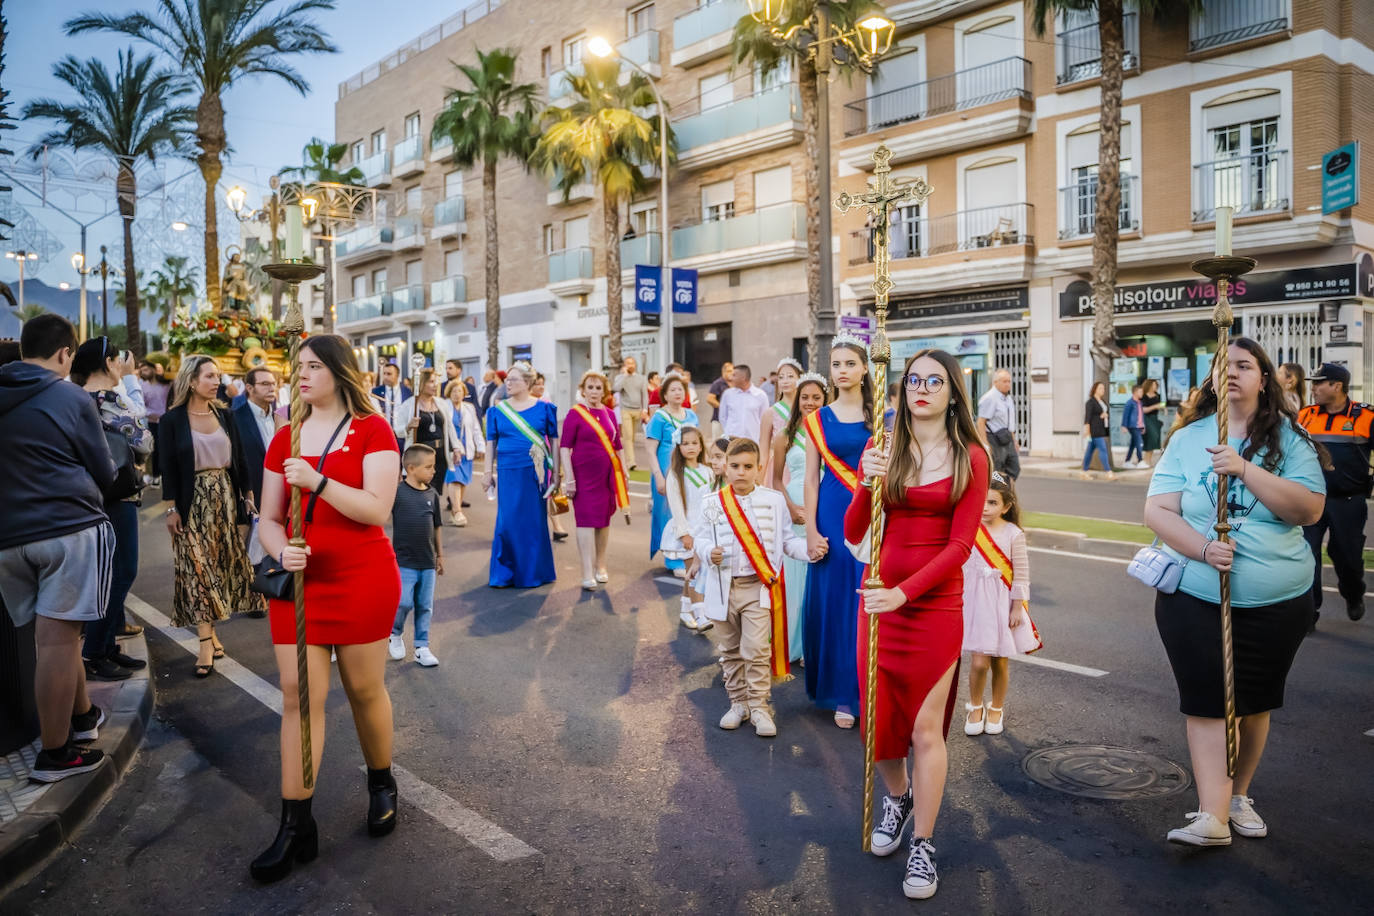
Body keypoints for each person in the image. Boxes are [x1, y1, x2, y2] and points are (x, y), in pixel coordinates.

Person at [1144, 338, 1327, 848]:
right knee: (1206, 701)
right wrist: (1203, 550)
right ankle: (1212, 815)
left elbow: (1308, 510)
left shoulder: (1291, 438)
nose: (1231, 373)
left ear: (1264, 379)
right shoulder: (1187, 438)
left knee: (1252, 704)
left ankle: (1238, 795)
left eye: (1244, 365)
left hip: (1277, 601)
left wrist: (1245, 468)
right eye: (1222, 365)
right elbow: (1158, 511)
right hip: (1195, 597)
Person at [252, 334, 403, 883]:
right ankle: (296, 825)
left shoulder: (372, 429)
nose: (302, 376)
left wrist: (318, 480)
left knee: (365, 689)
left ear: (340, 371)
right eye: (298, 368)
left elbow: (377, 509)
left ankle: (382, 781)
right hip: (302, 585)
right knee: (298, 699)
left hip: (362, 577)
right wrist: (280, 549)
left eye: (314, 366)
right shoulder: (284, 436)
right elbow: (268, 519)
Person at [845, 348, 990, 900]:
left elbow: (960, 546)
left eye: (934, 380)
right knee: (880, 729)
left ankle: (923, 843)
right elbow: (855, 529)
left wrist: (904, 591)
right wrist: (867, 480)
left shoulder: (972, 457)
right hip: (878, 604)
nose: (922, 388)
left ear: (953, 391)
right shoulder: (883, 448)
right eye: (913, 380)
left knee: (926, 730)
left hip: (931, 608)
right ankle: (898, 798)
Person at [0, 315, 115, 782]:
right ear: (66, 353)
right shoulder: (69, 395)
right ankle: (56, 753)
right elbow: (104, 468)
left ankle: (83, 716)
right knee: (57, 640)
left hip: (8, 539)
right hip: (67, 528)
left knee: (55, 639)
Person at [695, 438, 811, 739]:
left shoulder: (773, 500)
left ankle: (760, 706)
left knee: (757, 650)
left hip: (757, 588)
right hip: (722, 588)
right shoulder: (711, 502)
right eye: (735, 466)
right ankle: (738, 703)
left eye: (748, 467)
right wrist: (709, 552)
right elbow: (700, 538)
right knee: (730, 650)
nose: (741, 472)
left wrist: (810, 549)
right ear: (725, 467)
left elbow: (786, 541)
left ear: (759, 469)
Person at [161, 355, 265, 676]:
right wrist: (171, 508)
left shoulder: (226, 414)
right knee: (196, 568)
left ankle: (211, 633)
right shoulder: (172, 420)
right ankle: (205, 641)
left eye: (218, 376)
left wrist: (247, 497)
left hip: (225, 499)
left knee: (217, 567)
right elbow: (167, 468)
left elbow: (240, 460)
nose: (216, 381)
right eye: (209, 376)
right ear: (192, 381)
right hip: (192, 501)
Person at [71, 338, 154, 680]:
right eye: (118, 360)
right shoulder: (108, 398)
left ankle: (104, 647)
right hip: (116, 496)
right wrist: (131, 381)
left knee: (104, 574)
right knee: (121, 572)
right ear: (108, 363)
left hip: (87, 496)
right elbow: (144, 440)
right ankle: (95, 651)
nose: (121, 365)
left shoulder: (76, 397)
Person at [802, 334, 872, 729]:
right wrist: (811, 529)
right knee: (835, 600)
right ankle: (843, 693)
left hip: (871, 514)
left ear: (864, 368)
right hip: (831, 512)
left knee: (865, 598)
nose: (842, 371)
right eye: (836, 364)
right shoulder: (817, 418)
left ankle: (869, 686)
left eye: (850, 363)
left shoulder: (882, 415)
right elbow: (811, 479)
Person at [962, 472, 1037, 737]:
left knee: (999, 662)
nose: (985, 507)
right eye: (982, 501)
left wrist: (1018, 606)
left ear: (1006, 506)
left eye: (992, 503)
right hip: (974, 601)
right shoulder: (968, 526)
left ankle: (996, 707)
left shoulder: (1013, 533)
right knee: (978, 662)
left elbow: (1021, 573)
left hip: (1002, 602)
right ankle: (974, 706)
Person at [1298, 362, 1371, 626]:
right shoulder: (1305, 415)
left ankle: (1353, 594)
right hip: (1310, 498)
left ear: (1337, 386)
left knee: (1347, 557)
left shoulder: (1366, 417)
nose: (1313, 388)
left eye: (1319, 383)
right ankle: (1310, 612)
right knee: (1307, 555)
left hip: (1348, 501)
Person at [485, 362, 559, 588]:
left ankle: (533, 572)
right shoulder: (497, 410)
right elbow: (491, 442)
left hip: (534, 472)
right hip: (507, 471)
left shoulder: (545, 408)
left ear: (527, 383)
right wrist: (487, 472)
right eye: (507, 379)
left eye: (513, 379)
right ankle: (505, 572)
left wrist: (556, 472)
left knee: (533, 521)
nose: (508, 383)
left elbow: (555, 441)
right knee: (507, 521)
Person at [772, 372, 827, 661]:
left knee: (818, 576)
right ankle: (795, 642)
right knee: (796, 580)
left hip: (824, 505)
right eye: (805, 397)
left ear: (825, 399)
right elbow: (776, 480)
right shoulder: (785, 436)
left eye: (816, 397)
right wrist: (792, 509)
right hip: (796, 508)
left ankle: (814, 643)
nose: (810, 402)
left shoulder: (830, 431)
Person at [561, 370, 629, 590]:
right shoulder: (575, 413)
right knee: (585, 522)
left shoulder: (610, 414)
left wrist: (624, 470)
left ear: (605, 391)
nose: (594, 391)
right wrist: (569, 478)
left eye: (598, 387)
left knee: (603, 521)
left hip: (607, 477)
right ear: (583, 390)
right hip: (582, 476)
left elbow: (618, 445)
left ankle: (601, 565)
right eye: (590, 387)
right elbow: (564, 447)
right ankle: (587, 571)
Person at [388, 444, 444, 667]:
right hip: (404, 561)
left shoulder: (433, 494)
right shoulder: (397, 493)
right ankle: (395, 632)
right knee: (403, 602)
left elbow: (437, 526)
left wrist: (440, 556)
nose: (433, 471)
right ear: (410, 468)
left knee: (425, 605)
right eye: (429, 467)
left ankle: (421, 646)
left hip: (427, 562)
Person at [645, 375, 700, 576]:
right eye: (673, 390)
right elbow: (650, 449)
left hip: (688, 470)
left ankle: (688, 554)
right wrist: (659, 476)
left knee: (687, 510)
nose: (678, 393)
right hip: (666, 469)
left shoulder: (691, 416)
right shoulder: (659, 417)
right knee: (669, 513)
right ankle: (673, 558)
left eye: (681, 389)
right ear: (665, 395)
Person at [662, 426, 714, 630]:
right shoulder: (675, 475)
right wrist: (684, 533)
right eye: (686, 443)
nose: (691, 447)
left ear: (701, 446)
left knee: (692, 572)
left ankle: (685, 610)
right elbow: (675, 506)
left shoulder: (708, 471)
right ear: (678, 447)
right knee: (696, 572)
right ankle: (701, 616)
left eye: (695, 443)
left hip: (705, 531)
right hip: (688, 531)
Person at [399, 368, 457, 521]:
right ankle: (421, 519)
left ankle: (431, 519)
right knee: (421, 488)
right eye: (431, 381)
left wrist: (456, 447)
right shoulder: (410, 404)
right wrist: (409, 426)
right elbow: (397, 430)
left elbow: (449, 427)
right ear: (422, 383)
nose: (435, 384)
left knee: (436, 489)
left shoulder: (441, 403)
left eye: (435, 381)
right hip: (420, 455)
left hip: (440, 454)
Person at [232, 367, 279, 508]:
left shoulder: (280, 418)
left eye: (273, 383)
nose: (271, 388)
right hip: (251, 498)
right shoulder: (235, 418)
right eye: (265, 384)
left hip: (279, 495)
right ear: (249, 388)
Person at [443, 380, 485, 527]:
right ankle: (457, 510)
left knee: (463, 481)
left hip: (467, 448)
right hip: (452, 449)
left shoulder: (469, 407)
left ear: (464, 393)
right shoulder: (444, 406)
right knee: (454, 478)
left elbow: (475, 428)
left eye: (460, 391)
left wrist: (481, 446)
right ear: (449, 392)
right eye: (454, 391)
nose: (457, 394)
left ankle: (456, 512)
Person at [758, 358, 802, 483]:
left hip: (804, 466)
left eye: (790, 376)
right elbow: (763, 451)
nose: (785, 381)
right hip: (781, 468)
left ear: (800, 379)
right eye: (781, 377)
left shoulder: (807, 409)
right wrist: (759, 482)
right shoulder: (770, 413)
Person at [976, 368, 1020, 480]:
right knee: (997, 471)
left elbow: (1009, 423)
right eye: (1004, 381)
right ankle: (997, 494)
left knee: (1014, 468)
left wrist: (1014, 440)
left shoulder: (1008, 398)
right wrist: (985, 444)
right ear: (995, 382)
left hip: (1007, 438)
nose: (1008, 384)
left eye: (1009, 381)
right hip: (993, 439)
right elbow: (981, 422)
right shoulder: (989, 398)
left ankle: (1007, 491)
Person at [612, 356, 649, 472]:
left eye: (632, 363)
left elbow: (645, 394)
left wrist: (644, 410)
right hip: (625, 410)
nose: (630, 365)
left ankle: (628, 459)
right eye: (628, 363)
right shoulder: (620, 377)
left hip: (637, 410)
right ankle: (631, 462)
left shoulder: (641, 378)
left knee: (632, 437)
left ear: (635, 365)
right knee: (627, 436)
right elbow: (616, 388)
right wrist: (625, 376)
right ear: (624, 365)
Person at [718, 363, 769, 442]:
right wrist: (729, 433)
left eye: (734, 375)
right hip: (731, 442)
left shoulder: (761, 395)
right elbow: (723, 417)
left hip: (752, 441)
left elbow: (764, 420)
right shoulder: (727, 394)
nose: (731, 378)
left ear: (743, 378)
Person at [139, 360, 170, 486]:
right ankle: (155, 475)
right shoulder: (143, 386)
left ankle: (164, 474)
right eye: (142, 370)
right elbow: (141, 406)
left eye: (146, 369)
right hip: (152, 422)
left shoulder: (166, 384)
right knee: (153, 449)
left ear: (153, 369)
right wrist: (149, 413)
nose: (144, 372)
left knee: (166, 449)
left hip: (166, 421)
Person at [372, 363, 412, 453]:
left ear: (397, 375)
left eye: (389, 374)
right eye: (384, 374)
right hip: (383, 435)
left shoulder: (407, 392)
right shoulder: (375, 392)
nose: (385, 377)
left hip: (401, 436)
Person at [1080, 381, 1114, 479]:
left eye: (1103, 388)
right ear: (1094, 389)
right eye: (1100, 388)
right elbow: (1087, 418)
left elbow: (1105, 413)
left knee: (1089, 452)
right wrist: (1087, 431)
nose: (1102, 390)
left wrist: (1105, 415)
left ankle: (1084, 471)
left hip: (1102, 429)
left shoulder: (1102, 402)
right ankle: (1108, 472)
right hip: (1094, 430)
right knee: (1103, 449)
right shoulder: (1090, 402)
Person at [707, 361, 735, 439]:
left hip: (732, 421)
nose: (732, 373)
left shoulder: (735, 384)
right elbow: (709, 399)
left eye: (733, 371)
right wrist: (722, 407)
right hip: (718, 420)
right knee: (718, 444)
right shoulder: (717, 383)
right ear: (723, 372)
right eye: (729, 371)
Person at [1122, 384, 1146, 468]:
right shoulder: (1130, 403)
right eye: (1140, 391)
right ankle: (1140, 461)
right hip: (1133, 426)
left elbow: (1141, 415)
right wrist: (1124, 426)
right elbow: (1125, 415)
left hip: (1139, 426)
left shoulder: (1139, 403)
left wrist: (1143, 426)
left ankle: (1127, 461)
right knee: (1139, 443)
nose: (1142, 393)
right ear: (1135, 392)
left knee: (1133, 444)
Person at [1141, 378, 1164, 466]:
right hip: (1147, 419)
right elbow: (1143, 410)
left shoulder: (1157, 395)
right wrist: (1155, 406)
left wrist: (1163, 407)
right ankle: (1145, 460)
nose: (1155, 387)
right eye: (1154, 385)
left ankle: (1148, 460)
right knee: (1151, 437)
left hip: (1155, 418)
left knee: (1155, 439)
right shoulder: (1143, 396)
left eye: (1156, 385)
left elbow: (1161, 404)